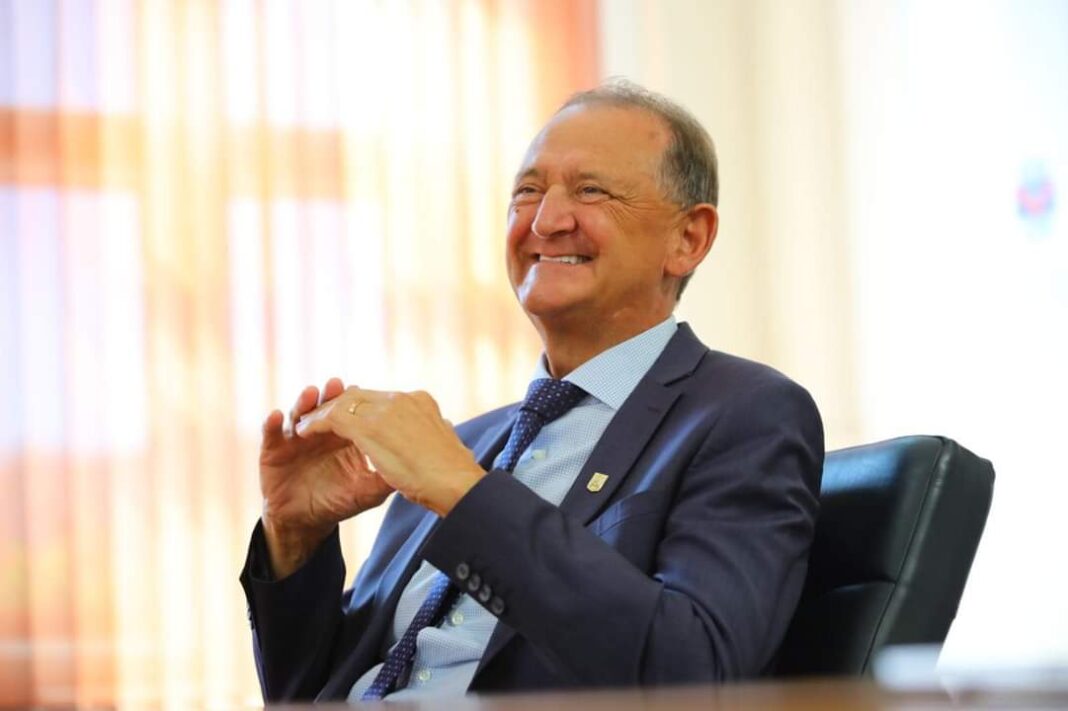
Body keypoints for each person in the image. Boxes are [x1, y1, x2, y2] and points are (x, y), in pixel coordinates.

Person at [240, 81, 824, 702]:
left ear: (688, 239)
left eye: (591, 190)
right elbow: (306, 694)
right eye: (528, 192)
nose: (545, 221)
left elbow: (695, 669)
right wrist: (294, 539)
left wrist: (464, 493)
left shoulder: (744, 414)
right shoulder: (461, 446)